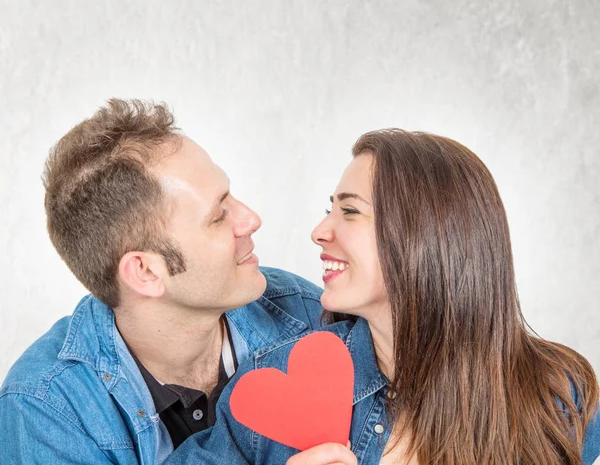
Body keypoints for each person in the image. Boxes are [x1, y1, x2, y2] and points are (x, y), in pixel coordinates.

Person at [167, 129, 600, 465]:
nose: (320, 231)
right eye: (328, 209)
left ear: (427, 236)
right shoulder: (273, 379)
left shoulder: (560, 394)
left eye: (350, 210)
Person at [0, 99, 323, 464]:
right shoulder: (44, 408)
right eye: (218, 216)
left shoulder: (307, 314)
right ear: (146, 272)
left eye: (231, 196)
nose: (250, 219)